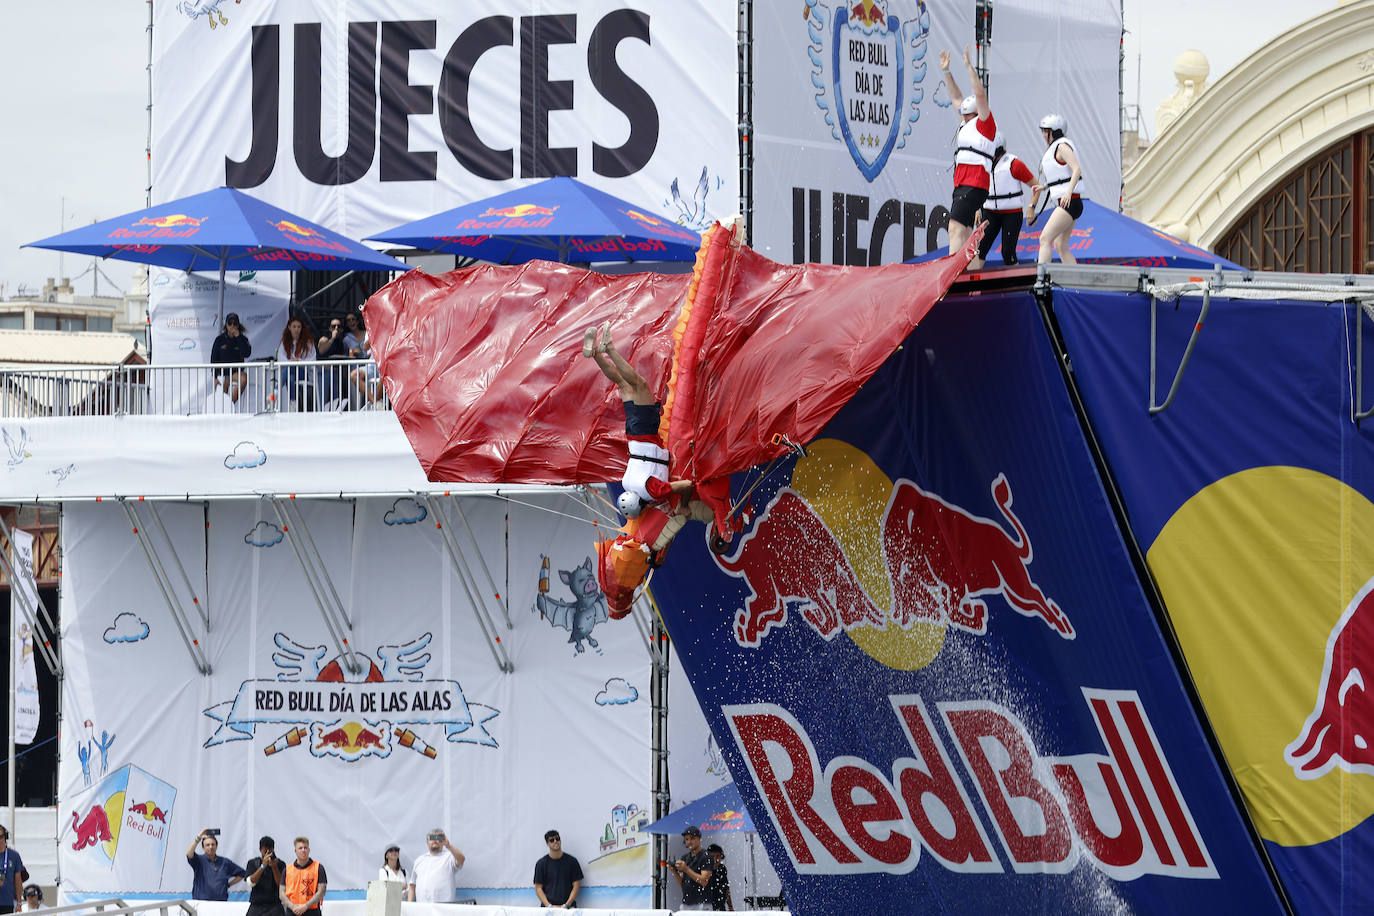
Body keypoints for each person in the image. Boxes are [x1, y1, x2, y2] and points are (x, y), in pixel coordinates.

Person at [940, 45, 995, 257]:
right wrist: (946, 71)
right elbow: (956, 98)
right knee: (964, 233)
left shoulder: (984, 124)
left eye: (966, 114)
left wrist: (970, 68)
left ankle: (950, 278)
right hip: (963, 184)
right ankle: (968, 280)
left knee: (954, 227)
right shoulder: (967, 121)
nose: (962, 117)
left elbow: (980, 95)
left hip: (973, 184)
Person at [973, 135, 1037, 270]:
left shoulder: (1014, 164)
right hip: (990, 212)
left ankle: (1016, 285)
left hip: (1012, 214)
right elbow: (979, 188)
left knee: (1008, 253)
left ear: (997, 150)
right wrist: (978, 209)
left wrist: (1031, 207)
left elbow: (1035, 186)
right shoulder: (984, 164)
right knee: (980, 250)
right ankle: (973, 286)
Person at [1029, 113, 1084, 265]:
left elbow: (1076, 170)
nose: (1043, 134)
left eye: (1046, 131)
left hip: (1069, 201)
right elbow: (1060, 176)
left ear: (1055, 131)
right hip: (1069, 202)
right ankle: (1076, 281)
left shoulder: (1062, 147)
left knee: (1045, 239)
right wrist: (1044, 186)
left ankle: (1041, 279)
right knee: (1061, 246)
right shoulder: (1056, 148)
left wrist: (1068, 192)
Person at [185, 829, 247, 902]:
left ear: (216, 846)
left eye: (213, 844)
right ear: (203, 848)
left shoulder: (225, 862)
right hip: (201, 903)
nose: (211, 847)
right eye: (207, 845)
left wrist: (228, 884)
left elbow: (242, 873)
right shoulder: (198, 861)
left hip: (220, 904)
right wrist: (198, 838)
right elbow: (189, 854)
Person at [408, 828, 464, 903]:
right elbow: (412, 885)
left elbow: (461, 859)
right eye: (432, 838)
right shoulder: (419, 861)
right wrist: (409, 905)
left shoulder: (449, 857)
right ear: (427, 842)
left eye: (438, 838)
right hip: (422, 908)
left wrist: (448, 845)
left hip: (443, 909)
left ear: (442, 841)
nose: (435, 841)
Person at [276, 314, 317, 411]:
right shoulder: (285, 342)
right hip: (291, 372)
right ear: (289, 328)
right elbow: (280, 358)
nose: (296, 329)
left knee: (291, 368)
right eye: (294, 326)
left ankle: (276, 391)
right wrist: (291, 362)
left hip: (304, 373)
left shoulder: (308, 343)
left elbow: (312, 360)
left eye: (299, 327)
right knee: (290, 377)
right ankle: (293, 403)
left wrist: (299, 361)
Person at [532, 829, 582, 909]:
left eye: (557, 839)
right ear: (547, 844)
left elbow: (576, 885)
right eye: (552, 840)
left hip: (569, 909)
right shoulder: (541, 864)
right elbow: (538, 888)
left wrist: (567, 905)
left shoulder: (572, 861)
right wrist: (549, 906)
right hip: (548, 910)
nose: (555, 841)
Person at [343, 312, 383, 409]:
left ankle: (377, 403)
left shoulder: (393, 329)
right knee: (353, 375)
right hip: (372, 366)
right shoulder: (371, 331)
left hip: (388, 366)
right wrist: (376, 331)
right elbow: (365, 347)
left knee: (384, 374)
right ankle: (375, 404)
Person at [210, 313, 252, 404]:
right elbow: (213, 359)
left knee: (244, 378)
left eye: (235, 323)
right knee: (223, 387)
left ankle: (231, 403)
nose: (232, 326)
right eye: (230, 323)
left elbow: (247, 353)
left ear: (238, 325)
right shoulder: (219, 340)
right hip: (222, 373)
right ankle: (223, 407)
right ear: (226, 325)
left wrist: (238, 337)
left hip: (235, 372)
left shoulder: (243, 339)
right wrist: (215, 377)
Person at [671, 826, 713, 912]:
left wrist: (686, 869)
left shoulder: (706, 856)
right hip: (686, 904)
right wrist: (674, 871)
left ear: (699, 839)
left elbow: (704, 881)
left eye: (692, 838)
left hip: (702, 904)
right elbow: (683, 884)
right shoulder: (685, 858)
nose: (689, 842)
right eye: (686, 839)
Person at [281, 837, 326, 916]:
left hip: (312, 911)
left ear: (309, 850)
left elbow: (321, 891)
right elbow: (281, 893)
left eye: (305, 848)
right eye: (300, 848)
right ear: (295, 851)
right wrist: (292, 907)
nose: (303, 850)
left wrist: (305, 906)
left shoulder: (318, 867)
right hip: (292, 911)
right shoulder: (288, 869)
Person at [244, 836, 286, 916]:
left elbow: (281, 885)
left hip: (274, 905)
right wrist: (263, 866)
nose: (268, 853)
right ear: (260, 849)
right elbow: (251, 882)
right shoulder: (253, 863)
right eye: (265, 851)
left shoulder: (280, 864)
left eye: (270, 850)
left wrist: (274, 867)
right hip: (256, 905)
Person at [316, 315, 352, 407]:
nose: (336, 328)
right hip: (324, 371)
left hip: (336, 372)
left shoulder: (342, 343)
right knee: (322, 398)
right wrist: (332, 338)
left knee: (335, 397)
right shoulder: (324, 339)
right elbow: (321, 350)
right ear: (329, 328)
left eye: (339, 326)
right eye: (333, 326)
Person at [0, 827, 24, 914]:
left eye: (1, 837)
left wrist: (19, 902)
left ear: (5, 837)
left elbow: (18, 881)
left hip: (7, 902)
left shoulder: (14, 855)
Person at [705, 844, 733, 911]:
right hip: (707, 908)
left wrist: (730, 906)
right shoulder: (704, 870)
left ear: (721, 857)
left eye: (718, 856)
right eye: (712, 856)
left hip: (721, 907)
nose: (715, 859)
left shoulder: (722, 869)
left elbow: (726, 889)